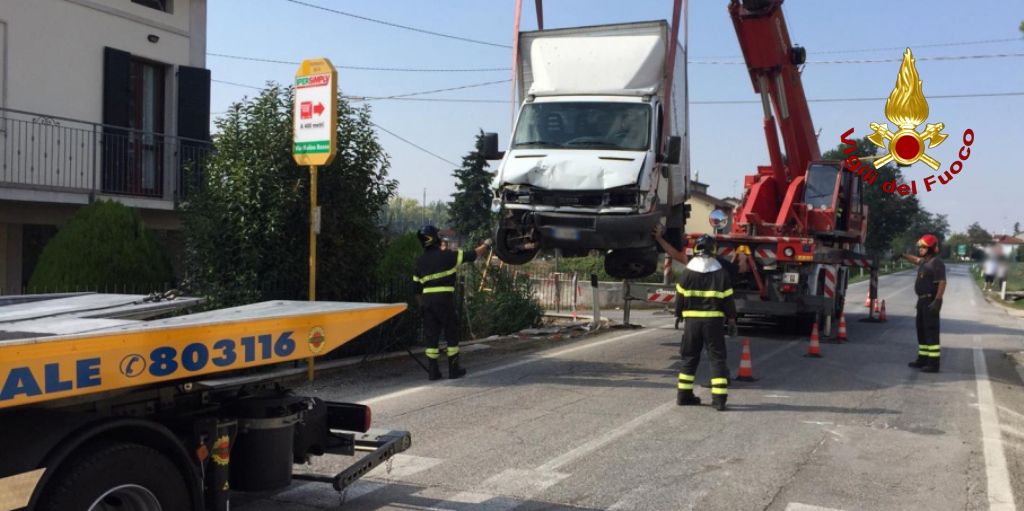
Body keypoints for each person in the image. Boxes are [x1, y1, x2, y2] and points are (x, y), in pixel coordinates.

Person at [654, 227, 737, 411]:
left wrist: (678, 316)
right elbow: (728, 301)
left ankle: (683, 395)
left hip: (692, 323)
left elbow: (680, 297)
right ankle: (719, 400)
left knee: (689, 357)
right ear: (713, 250)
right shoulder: (721, 273)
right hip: (714, 323)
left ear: (696, 249)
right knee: (717, 359)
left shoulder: (688, 272)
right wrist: (731, 320)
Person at [413, 226, 490, 380]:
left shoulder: (419, 262)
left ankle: (433, 372)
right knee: (451, 334)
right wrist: (487, 244)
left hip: (427, 303)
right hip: (444, 300)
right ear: (434, 238)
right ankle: (453, 370)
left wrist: (422, 306)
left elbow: (416, 290)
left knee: (431, 337)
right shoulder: (448, 256)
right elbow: (473, 254)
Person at [901, 234, 946, 373]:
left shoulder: (936, 262)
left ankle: (933, 363)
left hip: (930, 301)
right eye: (920, 247)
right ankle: (922, 359)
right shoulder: (925, 262)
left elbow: (942, 282)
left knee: (931, 331)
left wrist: (937, 300)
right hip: (921, 301)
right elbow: (915, 260)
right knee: (921, 330)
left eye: (923, 247)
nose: (920, 249)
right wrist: (902, 255)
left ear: (931, 248)